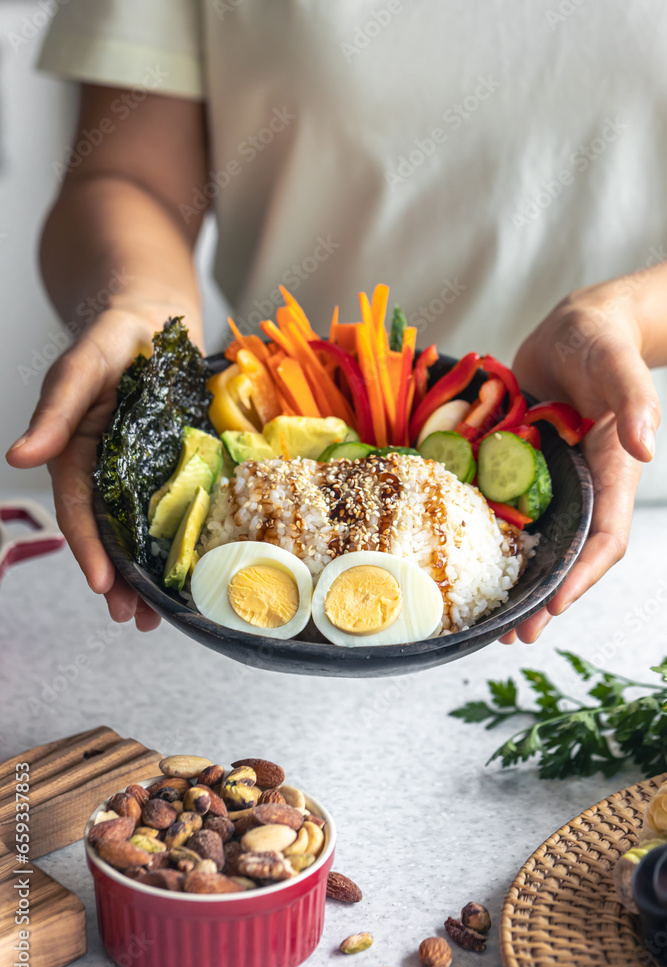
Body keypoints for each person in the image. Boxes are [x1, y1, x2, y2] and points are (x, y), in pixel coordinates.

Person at [6, 0, 666, 642]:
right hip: (263, 519)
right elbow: (126, 175)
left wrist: (629, 319)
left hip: (628, 503)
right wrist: (141, 310)